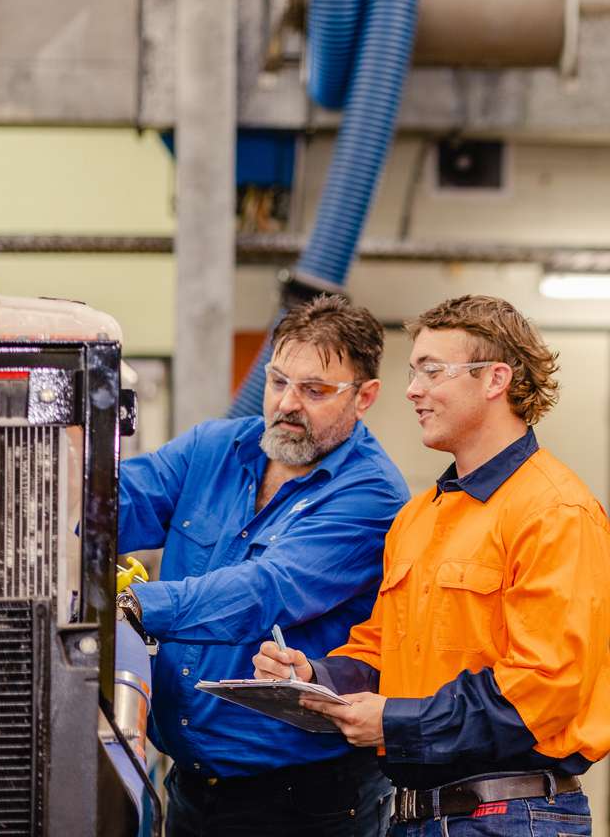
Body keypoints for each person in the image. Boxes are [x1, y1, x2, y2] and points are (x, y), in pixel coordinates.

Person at [254, 294, 610, 836]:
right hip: (415, 815)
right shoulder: (419, 517)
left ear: (495, 380)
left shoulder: (555, 512)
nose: (413, 390)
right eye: (414, 371)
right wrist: (315, 677)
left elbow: (543, 691)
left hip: (511, 816)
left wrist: (393, 722)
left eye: (432, 371)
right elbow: (382, 650)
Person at [117, 293, 410, 837]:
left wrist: (134, 604)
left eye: (314, 390)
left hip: (307, 803)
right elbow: (115, 502)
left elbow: (264, 590)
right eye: (278, 382)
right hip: (193, 789)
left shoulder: (370, 494)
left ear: (364, 396)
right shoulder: (215, 449)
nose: (287, 404)